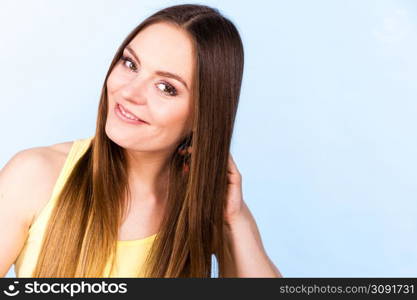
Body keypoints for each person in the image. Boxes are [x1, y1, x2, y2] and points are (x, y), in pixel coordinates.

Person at [0, 4, 282, 278]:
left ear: (203, 115)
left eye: (166, 87)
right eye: (130, 64)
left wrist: (236, 222)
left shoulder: (207, 206)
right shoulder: (35, 175)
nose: (130, 92)